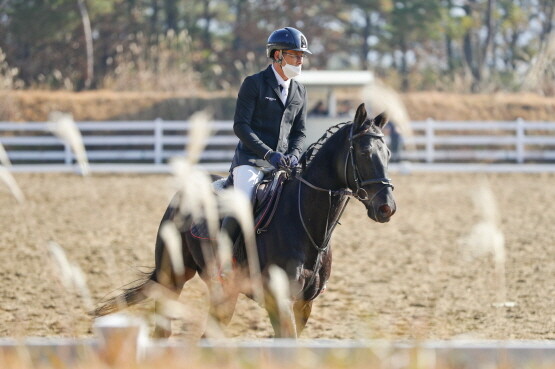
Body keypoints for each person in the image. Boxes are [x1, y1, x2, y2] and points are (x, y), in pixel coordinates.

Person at [222, 26, 311, 244]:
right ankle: (222, 257)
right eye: (295, 55)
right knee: (243, 201)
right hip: (251, 161)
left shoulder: (300, 91)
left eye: (302, 56)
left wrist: (294, 154)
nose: (300, 61)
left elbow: (299, 132)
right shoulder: (254, 84)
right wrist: (268, 154)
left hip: (284, 163)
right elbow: (241, 126)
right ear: (278, 54)